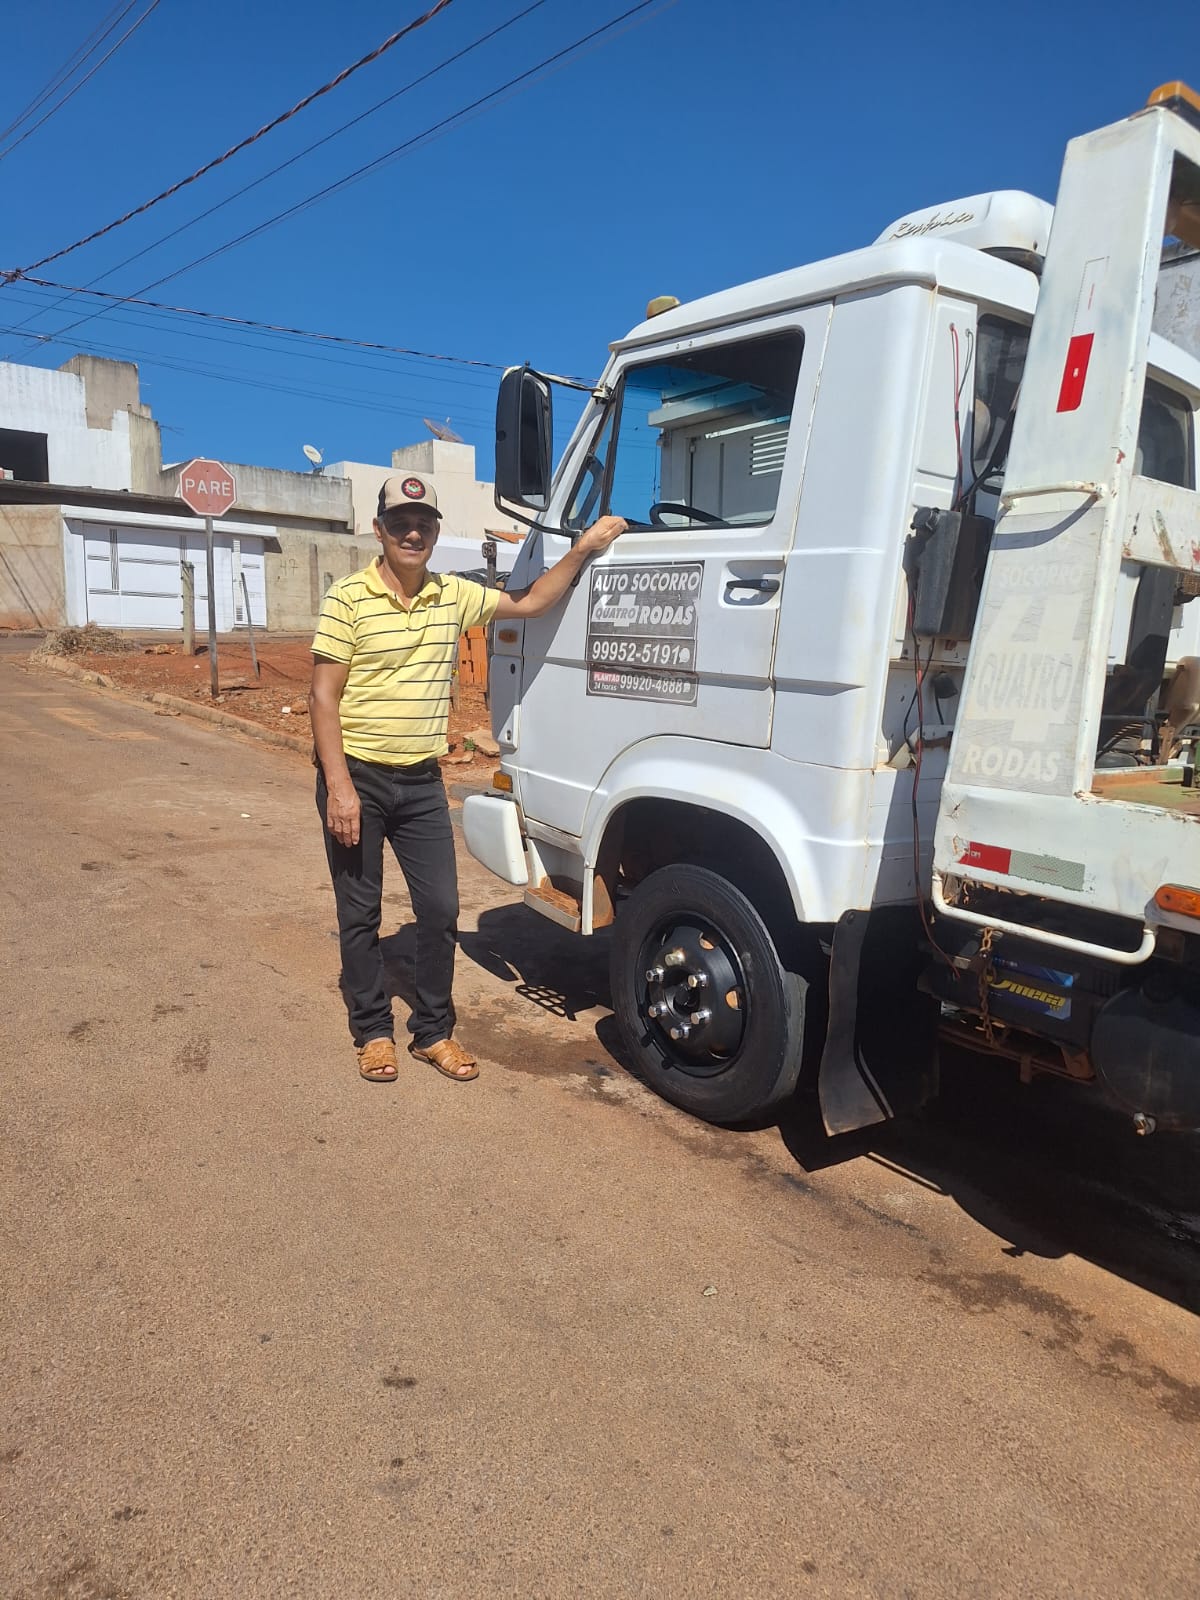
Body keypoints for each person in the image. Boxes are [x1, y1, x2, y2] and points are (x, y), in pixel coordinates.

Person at [309, 471, 626, 1084]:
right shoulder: (348, 597)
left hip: (421, 784)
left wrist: (583, 549)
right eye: (399, 523)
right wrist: (340, 789)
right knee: (360, 913)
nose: (411, 533)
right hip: (358, 779)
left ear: (434, 532)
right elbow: (323, 697)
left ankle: (432, 1032)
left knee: (440, 909)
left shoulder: (453, 594)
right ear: (378, 530)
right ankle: (373, 1031)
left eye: (422, 524)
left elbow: (530, 602)